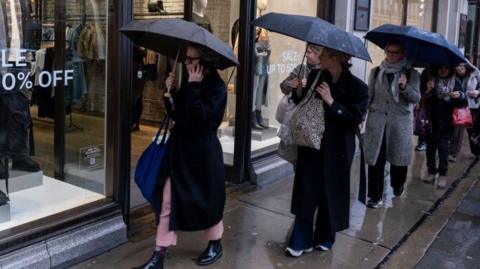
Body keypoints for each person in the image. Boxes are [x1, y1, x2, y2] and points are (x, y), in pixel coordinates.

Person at [132, 43, 227, 269]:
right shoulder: (190, 81)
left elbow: (201, 121)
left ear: (203, 62)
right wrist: (170, 92)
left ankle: (216, 242)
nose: (186, 62)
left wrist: (193, 88)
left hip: (202, 157)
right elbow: (178, 115)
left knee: (208, 202)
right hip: (179, 154)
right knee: (167, 201)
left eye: (190, 59)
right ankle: (159, 255)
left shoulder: (217, 87)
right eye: (186, 58)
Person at [285, 47, 368, 257]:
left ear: (335, 58)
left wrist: (332, 102)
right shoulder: (315, 75)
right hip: (312, 144)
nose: (318, 57)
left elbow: (355, 119)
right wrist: (297, 91)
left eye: (322, 54)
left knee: (330, 192)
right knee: (307, 190)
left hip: (338, 147)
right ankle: (300, 240)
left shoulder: (358, 88)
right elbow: (302, 104)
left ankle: (325, 237)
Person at [363, 39, 421, 208]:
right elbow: (369, 96)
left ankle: (398, 183)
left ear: (402, 54)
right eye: (388, 52)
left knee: (398, 160)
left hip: (400, 123)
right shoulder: (376, 72)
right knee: (375, 160)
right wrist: (362, 116)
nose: (390, 56)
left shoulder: (411, 74)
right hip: (377, 121)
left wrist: (404, 87)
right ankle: (374, 196)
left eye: (395, 53)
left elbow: (416, 98)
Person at [422, 65, 466, 188]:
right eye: (440, 67)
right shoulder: (431, 80)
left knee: (443, 149)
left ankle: (442, 174)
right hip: (430, 121)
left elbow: (464, 102)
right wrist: (428, 90)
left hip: (447, 122)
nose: (443, 70)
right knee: (430, 149)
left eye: (446, 68)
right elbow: (422, 99)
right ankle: (431, 171)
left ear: (450, 69)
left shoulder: (455, 82)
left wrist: (460, 96)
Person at [455, 62, 480, 159]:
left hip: (473, 106)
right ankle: (454, 152)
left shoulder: (475, 73)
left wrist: (477, 92)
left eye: (461, 67)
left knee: (473, 130)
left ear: (466, 66)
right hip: (459, 106)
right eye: (457, 66)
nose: (459, 69)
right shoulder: (453, 76)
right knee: (459, 130)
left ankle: (477, 151)